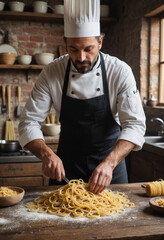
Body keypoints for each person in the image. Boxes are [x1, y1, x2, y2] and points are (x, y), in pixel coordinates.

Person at [19, 0, 146, 194]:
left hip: (109, 169)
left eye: (88, 49)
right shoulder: (52, 72)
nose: (81, 58)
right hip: (65, 169)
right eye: (73, 49)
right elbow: (28, 122)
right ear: (65, 44)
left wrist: (109, 163)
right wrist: (46, 154)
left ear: (100, 42)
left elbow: (135, 125)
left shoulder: (119, 71)